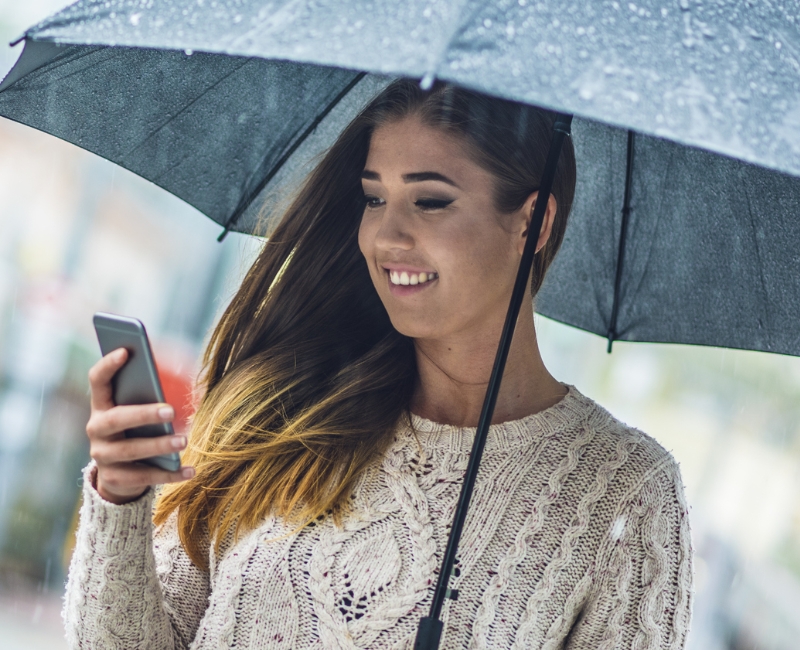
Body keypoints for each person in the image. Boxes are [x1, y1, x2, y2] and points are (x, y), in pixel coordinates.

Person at [64, 79, 693, 649]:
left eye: (430, 201)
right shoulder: (285, 403)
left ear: (534, 219)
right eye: (373, 198)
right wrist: (120, 498)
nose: (385, 237)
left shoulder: (627, 494)